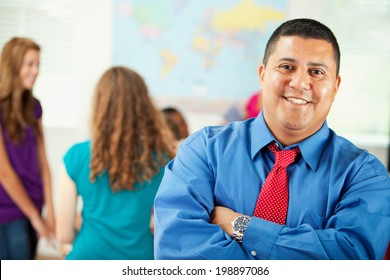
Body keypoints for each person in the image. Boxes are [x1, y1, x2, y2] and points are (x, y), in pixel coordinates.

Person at [153, 18, 390, 260]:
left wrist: (240, 226)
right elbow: (177, 251)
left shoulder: (364, 175)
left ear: (336, 87)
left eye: (316, 72)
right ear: (262, 75)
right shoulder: (204, 150)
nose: (299, 83)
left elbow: (350, 261)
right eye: (287, 67)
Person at [55, 66, 176, 259]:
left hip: (87, 257)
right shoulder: (162, 158)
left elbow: (64, 235)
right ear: (143, 105)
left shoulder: (75, 156)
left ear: (100, 104)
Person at [0, 37, 55, 259]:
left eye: (38, 64)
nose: (35, 71)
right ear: (13, 66)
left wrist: (50, 209)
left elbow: (43, 161)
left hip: (33, 203)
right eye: (30, 64)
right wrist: (35, 217)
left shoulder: (35, 106)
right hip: (8, 210)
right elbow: (3, 171)